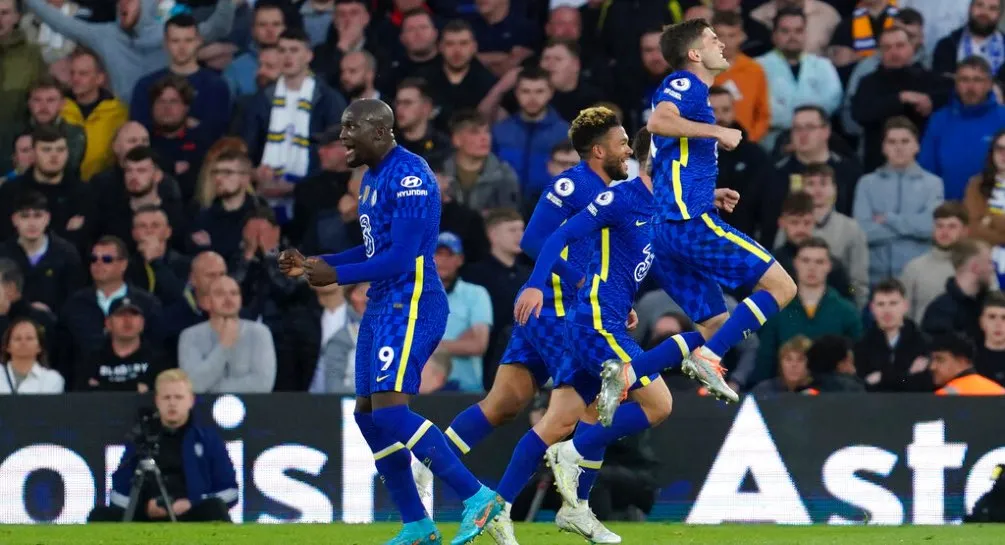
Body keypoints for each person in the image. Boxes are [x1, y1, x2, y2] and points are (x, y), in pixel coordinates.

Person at [278, 98, 503, 545]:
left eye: (349, 128)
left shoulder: (411, 175)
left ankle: (479, 497)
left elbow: (402, 258)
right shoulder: (370, 179)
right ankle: (418, 524)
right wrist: (314, 263)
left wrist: (336, 276)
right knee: (368, 416)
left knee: (391, 412)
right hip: (384, 305)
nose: (342, 137)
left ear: (379, 131)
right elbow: (372, 250)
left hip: (412, 302)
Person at [500, 126, 709, 543]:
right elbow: (556, 235)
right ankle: (572, 455)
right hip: (595, 322)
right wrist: (536, 284)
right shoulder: (620, 197)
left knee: (568, 418)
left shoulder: (659, 205)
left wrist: (713, 201)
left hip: (606, 316)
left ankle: (511, 508)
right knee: (659, 403)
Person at [641, 18, 798, 402]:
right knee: (781, 286)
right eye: (713, 39)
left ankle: (631, 371)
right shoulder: (686, 84)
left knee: (717, 324)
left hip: (665, 229)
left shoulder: (694, 96)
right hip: (688, 226)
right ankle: (708, 360)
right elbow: (658, 123)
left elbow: (654, 167)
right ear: (695, 53)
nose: (723, 44)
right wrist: (719, 132)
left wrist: (706, 193)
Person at [88, 369, 238, 522]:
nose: (172, 403)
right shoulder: (140, 439)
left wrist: (193, 502)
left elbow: (231, 492)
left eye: (178, 397)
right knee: (99, 515)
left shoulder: (207, 439)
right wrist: (144, 507)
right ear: (157, 400)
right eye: (166, 397)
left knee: (215, 509)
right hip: (147, 517)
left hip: (191, 515)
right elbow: (117, 495)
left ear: (191, 400)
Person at [753, 237, 863, 383]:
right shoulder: (777, 309)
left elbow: (858, 361)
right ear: (795, 263)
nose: (812, 267)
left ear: (829, 266)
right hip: (786, 394)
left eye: (819, 262)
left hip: (833, 394)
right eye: (805, 260)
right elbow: (765, 362)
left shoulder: (847, 311)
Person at [853, 116, 945, 285]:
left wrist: (889, 219)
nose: (899, 147)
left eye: (905, 141)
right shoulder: (866, 183)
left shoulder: (933, 184)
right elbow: (862, 232)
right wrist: (911, 228)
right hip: (875, 277)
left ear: (916, 146)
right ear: (884, 147)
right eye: (892, 142)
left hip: (918, 278)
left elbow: (930, 228)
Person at [919, 56, 1005, 200]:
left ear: (990, 84)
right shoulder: (939, 120)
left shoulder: (1003, 118)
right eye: (964, 80)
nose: (970, 87)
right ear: (956, 84)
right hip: (949, 211)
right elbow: (927, 169)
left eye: (977, 80)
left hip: (994, 210)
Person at [178, 276, 276, 394]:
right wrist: (224, 346)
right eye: (220, 294)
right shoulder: (190, 336)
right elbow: (194, 385)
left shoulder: (259, 333)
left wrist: (212, 388)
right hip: (203, 408)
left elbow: (263, 384)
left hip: (253, 408)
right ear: (206, 302)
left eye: (234, 293)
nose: (228, 298)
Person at [432, 232, 492, 393]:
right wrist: (458, 343)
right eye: (438, 254)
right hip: (422, 389)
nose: (443, 261)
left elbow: (478, 345)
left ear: (460, 260)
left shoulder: (476, 294)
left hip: (467, 390)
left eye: (450, 255)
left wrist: (427, 345)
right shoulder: (413, 296)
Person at [901, 202, 979, 323]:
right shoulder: (914, 268)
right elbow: (903, 318)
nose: (944, 232)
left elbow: (992, 310)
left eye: (952, 226)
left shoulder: (979, 268)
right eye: (939, 226)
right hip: (923, 340)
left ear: (965, 231)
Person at [74, 297, 167, 392]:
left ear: (143, 323)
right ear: (108, 323)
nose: (127, 320)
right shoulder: (92, 360)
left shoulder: (158, 360)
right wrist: (135, 387)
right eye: (120, 314)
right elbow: (82, 395)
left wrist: (102, 387)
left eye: (134, 314)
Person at [855, 279, 932, 392]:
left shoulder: (924, 343)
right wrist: (907, 375)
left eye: (893, 303)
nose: (887, 310)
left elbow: (922, 384)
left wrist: (882, 378)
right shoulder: (862, 346)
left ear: (905, 306)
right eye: (881, 304)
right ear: (872, 308)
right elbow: (863, 386)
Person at [922, 238, 996, 339]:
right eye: (989, 262)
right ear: (975, 267)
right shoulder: (940, 312)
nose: (992, 268)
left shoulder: (993, 304)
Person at [0, 317, 63, 394]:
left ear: (39, 347)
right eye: (17, 338)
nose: (23, 342)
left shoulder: (52, 379)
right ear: (7, 346)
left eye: (29, 338)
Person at [929, 332, 1005, 395]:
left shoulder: (944, 396)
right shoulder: (999, 392)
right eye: (932, 360)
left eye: (940, 359)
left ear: (962, 361)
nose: (932, 367)